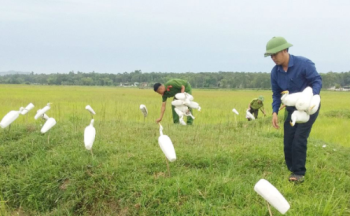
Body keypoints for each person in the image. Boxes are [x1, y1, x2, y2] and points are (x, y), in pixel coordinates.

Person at [265, 36, 322, 183]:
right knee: (288, 139)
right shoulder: (275, 72)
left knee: (299, 138)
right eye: (271, 56)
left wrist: (310, 97)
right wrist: (275, 112)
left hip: (308, 108)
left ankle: (299, 173)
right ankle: (292, 167)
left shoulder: (304, 64)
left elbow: (317, 81)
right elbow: (276, 94)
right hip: (291, 109)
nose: (273, 58)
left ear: (284, 50)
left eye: (275, 54)